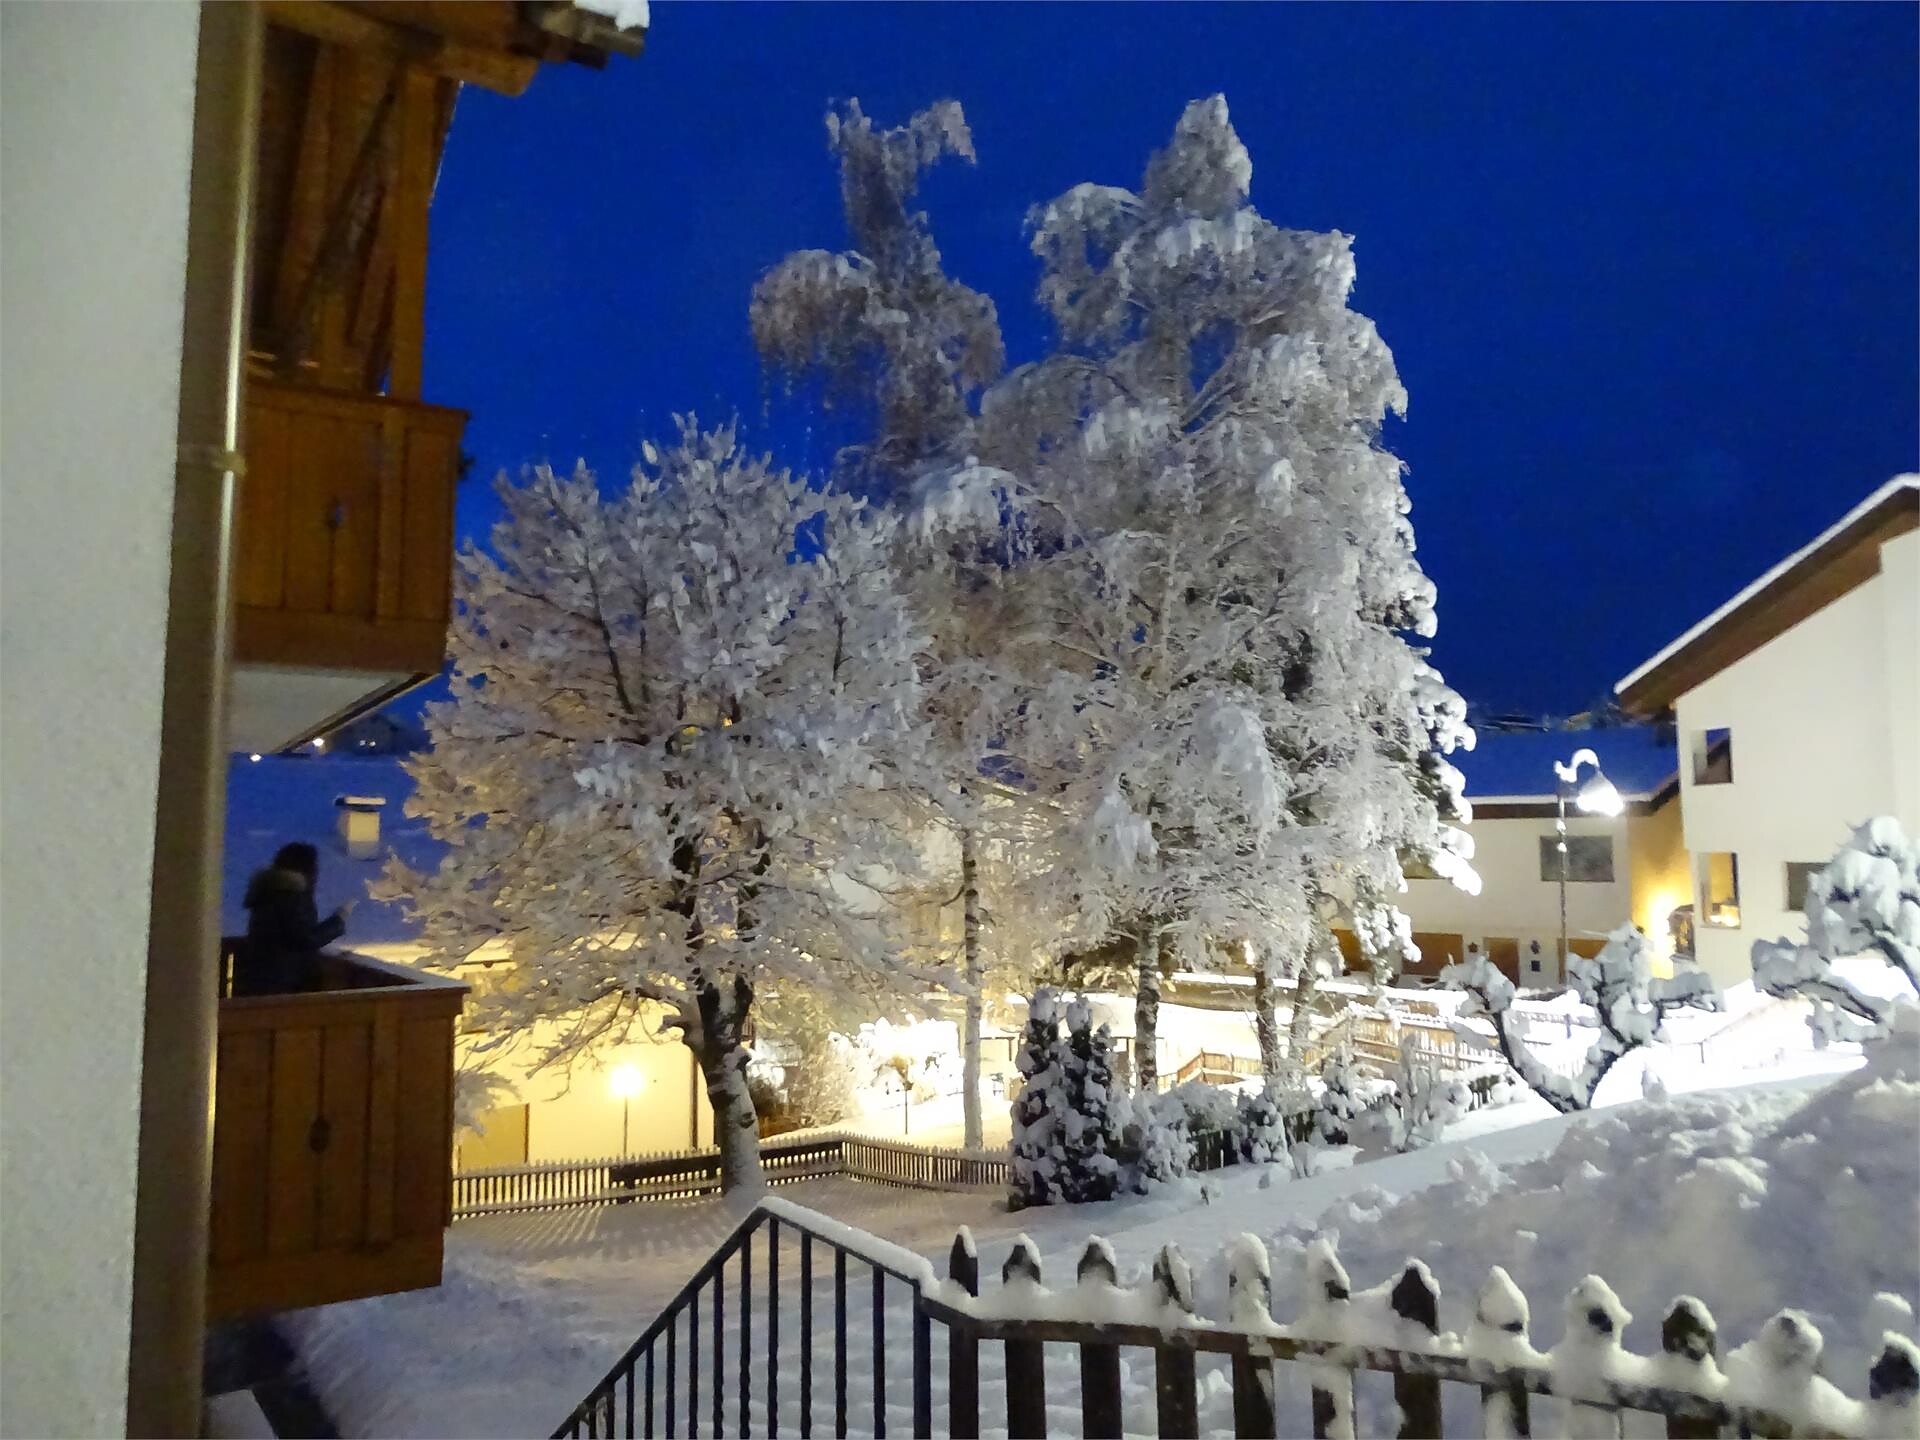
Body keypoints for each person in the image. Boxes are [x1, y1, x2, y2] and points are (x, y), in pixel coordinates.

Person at [235, 842, 352, 994]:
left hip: (266, 981)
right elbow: (303, 939)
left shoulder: (269, 892)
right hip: (285, 984)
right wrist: (338, 920)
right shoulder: (289, 897)